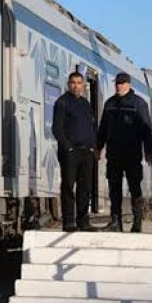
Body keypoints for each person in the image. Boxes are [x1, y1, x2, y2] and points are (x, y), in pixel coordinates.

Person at [96, 72, 152, 233]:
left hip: (132, 154)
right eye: (117, 83)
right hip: (114, 153)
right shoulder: (109, 104)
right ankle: (115, 221)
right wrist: (99, 146)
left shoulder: (139, 104)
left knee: (134, 187)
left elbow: (146, 130)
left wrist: (149, 151)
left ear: (129, 84)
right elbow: (103, 128)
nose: (119, 86)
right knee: (114, 188)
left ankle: (137, 222)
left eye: (122, 83)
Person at [52, 71, 98, 232]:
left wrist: (93, 148)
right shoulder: (62, 102)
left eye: (79, 83)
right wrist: (68, 148)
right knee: (68, 186)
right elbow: (57, 128)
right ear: (68, 84)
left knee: (85, 188)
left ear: (84, 85)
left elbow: (92, 128)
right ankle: (69, 221)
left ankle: (83, 220)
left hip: (87, 152)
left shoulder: (86, 104)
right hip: (70, 153)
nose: (76, 86)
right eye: (73, 83)